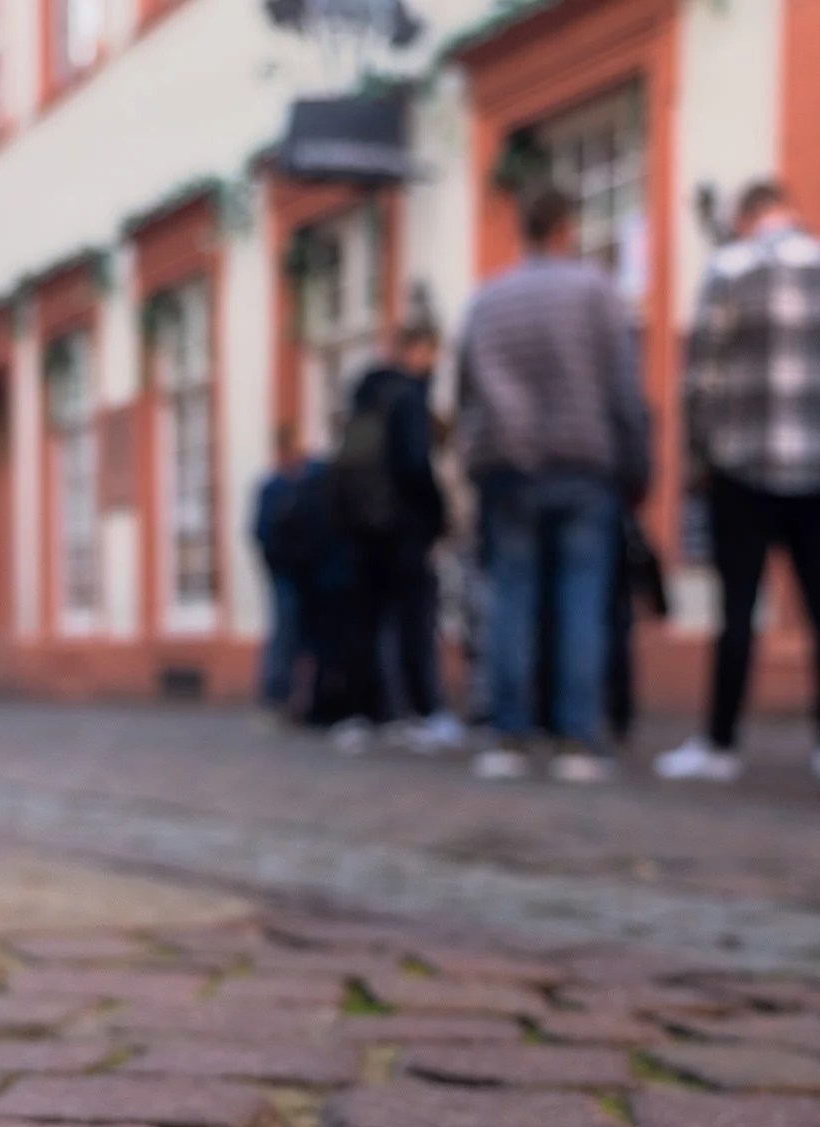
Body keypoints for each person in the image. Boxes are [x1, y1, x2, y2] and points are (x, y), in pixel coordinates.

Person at [657, 180, 820, 785]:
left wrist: (700, 455)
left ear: (748, 216)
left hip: (747, 463)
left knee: (737, 607)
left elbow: (699, 378)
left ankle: (721, 743)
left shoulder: (730, 269)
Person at [458, 188, 651, 782]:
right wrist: (638, 464)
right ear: (566, 227)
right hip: (581, 464)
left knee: (510, 599)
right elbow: (624, 388)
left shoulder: (487, 300)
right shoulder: (596, 294)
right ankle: (576, 739)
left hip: (508, 467)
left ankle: (509, 737)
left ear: (524, 230)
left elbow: (465, 396)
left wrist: (478, 460)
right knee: (580, 601)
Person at [324, 320, 448, 754]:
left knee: (364, 621)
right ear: (418, 351)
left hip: (359, 527)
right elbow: (414, 464)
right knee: (413, 619)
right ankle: (420, 713)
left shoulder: (364, 396)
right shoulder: (408, 395)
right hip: (401, 526)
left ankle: (363, 713)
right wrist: (436, 517)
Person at [252, 424, 328, 715]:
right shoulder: (273, 487)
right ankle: (277, 691)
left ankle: (304, 694)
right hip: (286, 572)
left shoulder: (308, 481)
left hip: (308, 571)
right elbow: (262, 532)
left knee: (305, 633)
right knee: (284, 631)